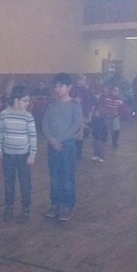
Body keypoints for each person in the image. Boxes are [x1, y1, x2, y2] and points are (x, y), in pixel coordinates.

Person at [42, 73, 83, 222]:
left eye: (61, 86)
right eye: (55, 86)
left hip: (68, 146)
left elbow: (76, 125)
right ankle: (55, 203)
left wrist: (60, 139)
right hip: (52, 145)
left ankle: (67, 205)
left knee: (67, 177)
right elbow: (45, 124)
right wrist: (51, 139)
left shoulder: (74, 105)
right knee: (54, 177)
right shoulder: (52, 105)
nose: (57, 89)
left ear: (69, 87)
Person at [0, 85, 37, 223]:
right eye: (25, 100)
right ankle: (9, 207)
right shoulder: (4, 114)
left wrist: (32, 154)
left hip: (23, 155)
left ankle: (26, 208)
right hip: (8, 154)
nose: (27, 103)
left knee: (25, 183)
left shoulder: (28, 116)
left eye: (28, 101)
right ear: (16, 100)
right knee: (9, 182)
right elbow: (0, 132)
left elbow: (32, 136)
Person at [71, 74, 95, 160]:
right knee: (72, 133)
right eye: (81, 80)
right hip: (72, 114)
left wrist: (88, 114)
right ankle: (72, 151)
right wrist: (74, 100)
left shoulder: (87, 91)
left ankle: (78, 153)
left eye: (84, 80)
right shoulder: (72, 90)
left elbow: (89, 103)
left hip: (81, 114)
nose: (82, 82)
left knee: (80, 134)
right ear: (77, 80)